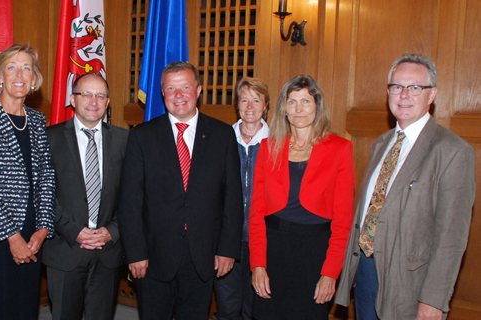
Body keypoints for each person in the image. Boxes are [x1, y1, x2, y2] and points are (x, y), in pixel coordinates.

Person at [335, 53, 475, 320]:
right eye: (397, 87)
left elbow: (452, 238)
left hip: (411, 285)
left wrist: (434, 300)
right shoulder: (382, 143)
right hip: (366, 273)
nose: (404, 95)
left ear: (431, 94)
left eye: (415, 88)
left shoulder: (453, 151)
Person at [118, 61, 243, 319]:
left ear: (198, 91)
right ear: (162, 94)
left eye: (185, 87)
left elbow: (232, 198)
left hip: (204, 253)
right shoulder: (142, 136)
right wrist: (136, 252)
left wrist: (228, 249)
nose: (178, 95)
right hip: (153, 256)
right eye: (171, 88)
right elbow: (130, 201)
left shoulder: (222, 135)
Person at [248, 75, 355, 319]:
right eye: (292, 102)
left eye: (305, 102)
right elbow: (256, 214)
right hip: (273, 251)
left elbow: (343, 221)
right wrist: (258, 265)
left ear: (317, 106)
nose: (299, 109)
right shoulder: (268, 147)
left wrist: (330, 273)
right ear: (284, 108)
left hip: (314, 254)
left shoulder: (340, 149)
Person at [0, 43, 55, 320]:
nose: (20, 74)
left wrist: (42, 229)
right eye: (12, 68)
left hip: (32, 236)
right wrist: (12, 237)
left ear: (34, 78)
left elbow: (47, 177)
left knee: (25, 308)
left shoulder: (38, 120)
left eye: (26, 68)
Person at [43, 73, 128, 320]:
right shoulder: (49, 138)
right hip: (64, 249)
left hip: (108, 250)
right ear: (72, 99)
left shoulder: (125, 140)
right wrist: (73, 231)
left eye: (100, 95)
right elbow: (43, 195)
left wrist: (112, 230)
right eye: (86, 94)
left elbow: (132, 196)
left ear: (108, 102)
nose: (94, 101)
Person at [214, 77, 270, 320]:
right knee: (227, 307)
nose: (250, 106)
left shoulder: (279, 142)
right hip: (227, 240)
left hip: (264, 241)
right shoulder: (220, 140)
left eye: (256, 100)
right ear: (236, 104)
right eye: (244, 99)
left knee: (255, 308)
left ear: (266, 105)